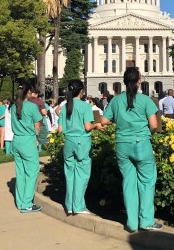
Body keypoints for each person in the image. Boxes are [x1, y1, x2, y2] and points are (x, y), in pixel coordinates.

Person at [100, 67, 162, 232]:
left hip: (122, 145)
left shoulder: (115, 101)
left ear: (124, 81)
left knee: (128, 182)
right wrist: (148, 134)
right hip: (141, 143)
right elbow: (154, 125)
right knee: (147, 182)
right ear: (139, 81)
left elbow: (105, 121)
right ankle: (146, 220)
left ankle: (132, 223)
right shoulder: (145, 100)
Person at [58, 80, 102, 215]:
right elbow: (88, 127)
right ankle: (78, 206)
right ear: (81, 91)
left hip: (69, 142)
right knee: (82, 175)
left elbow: (60, 129)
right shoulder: (85, 106)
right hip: (82, 142)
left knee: (69, 174)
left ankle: (69, 205)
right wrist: (97, 126)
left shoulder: (65, 107)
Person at [11, 82, 43, 213]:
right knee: (32, 172)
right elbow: (37, 125)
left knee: (20, 172)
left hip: (17, 140)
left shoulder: (14, 106)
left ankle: (21, 202)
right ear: (28, 92)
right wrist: (36, 137)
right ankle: (27, 203)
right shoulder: (31, 107)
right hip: (28, 140)